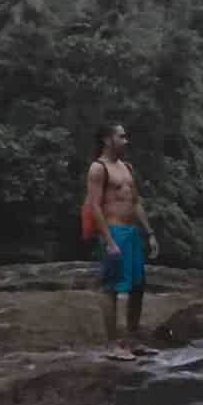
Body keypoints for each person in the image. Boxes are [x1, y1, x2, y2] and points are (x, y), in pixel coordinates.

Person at [85, 122, 158, 359]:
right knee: (112, 288)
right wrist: (108, 240)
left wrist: (150, 234)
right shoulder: (98, 169)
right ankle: (111, 345)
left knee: (138, 287)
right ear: (108, 139)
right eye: (122, 137)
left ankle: (133, 339)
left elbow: (136, 202)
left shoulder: (127, 167)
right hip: (113, 231)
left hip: (132, 233)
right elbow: (94, 206)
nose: (126, 141)